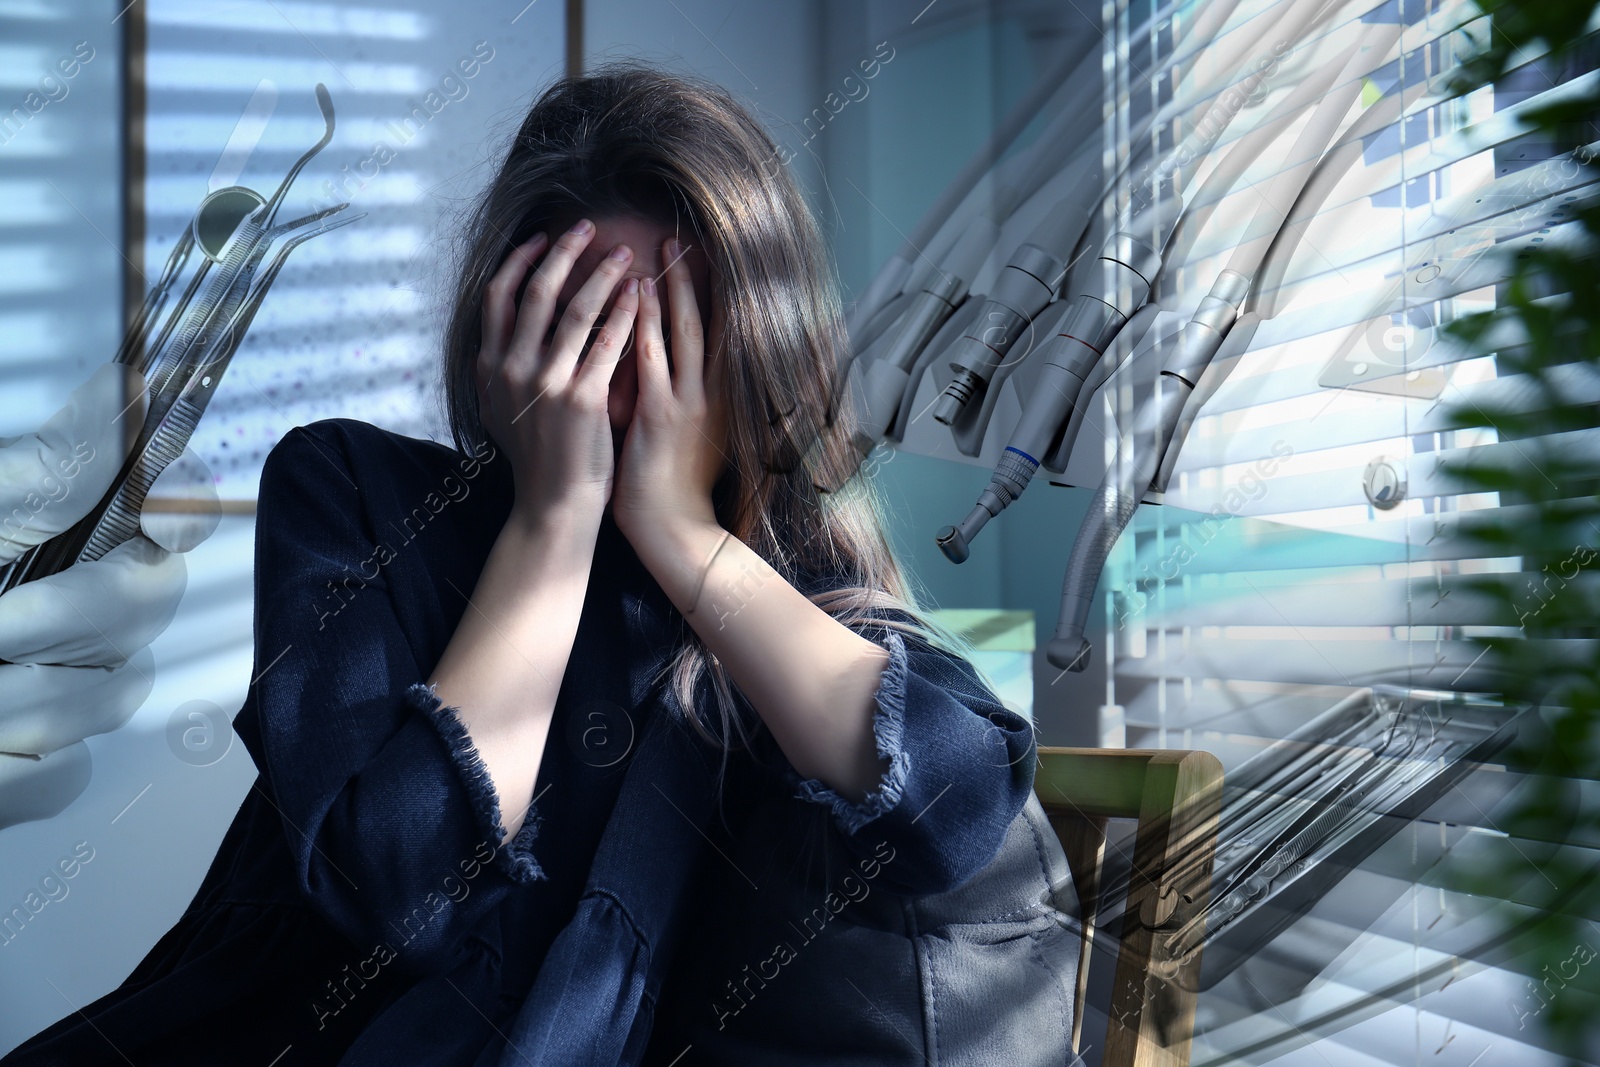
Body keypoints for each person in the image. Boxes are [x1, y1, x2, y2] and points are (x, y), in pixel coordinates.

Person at [2, 61, 1082, 1066]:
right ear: (498, 327)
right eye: (577, 327)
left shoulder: (781, 584)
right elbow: (401, 893)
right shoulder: (354, 491)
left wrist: (684, 539)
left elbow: (960, 806)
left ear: (748, 349)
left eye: (664, 339)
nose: (610, 383)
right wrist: (553, 518)